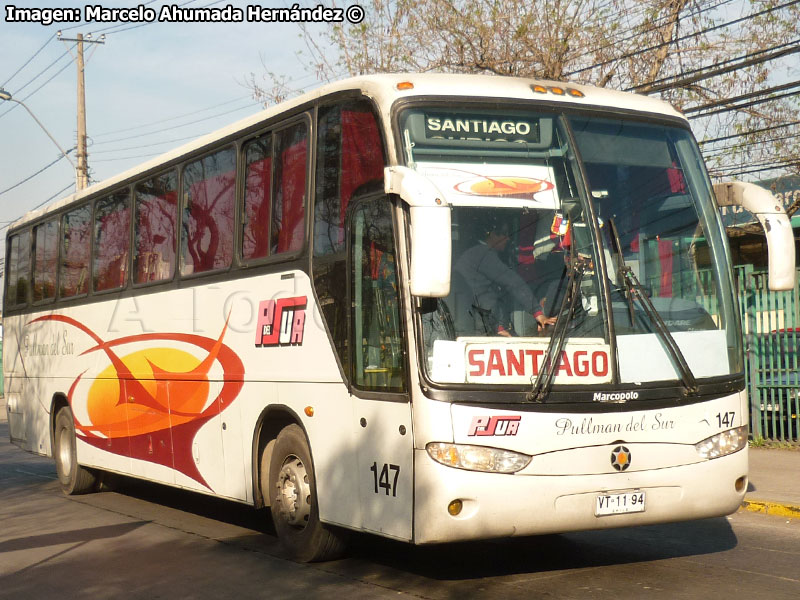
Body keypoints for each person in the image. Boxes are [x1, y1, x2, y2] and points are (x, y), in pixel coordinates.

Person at [454, 222, 557, 336]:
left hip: (483, 324)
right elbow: (512, 282)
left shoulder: (473, 255)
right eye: (503, 234)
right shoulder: (483, 254)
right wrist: (538, 313)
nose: (508, 238)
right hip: (487, 328)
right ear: (491, 234)